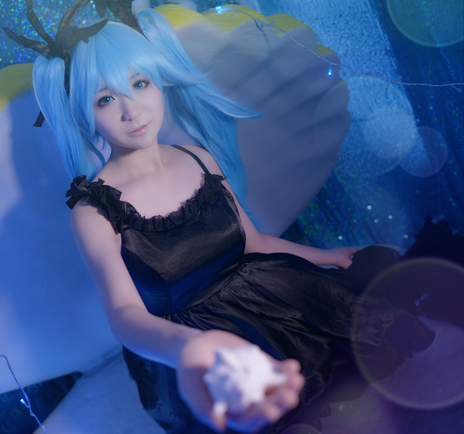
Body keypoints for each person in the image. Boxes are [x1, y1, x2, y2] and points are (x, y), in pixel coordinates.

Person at [23, 2, 435, 432]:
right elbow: (126, 317)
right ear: (83, 113)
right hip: (191, 335)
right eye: (106, 99)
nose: (132, 110)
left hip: (264, 292)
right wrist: (190, 348)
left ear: (159, 81)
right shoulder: (93, 212)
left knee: (366, 311)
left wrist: (326, 256)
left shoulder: (197, 157)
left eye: (140, 83)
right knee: (276, 401)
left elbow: (254, 243)